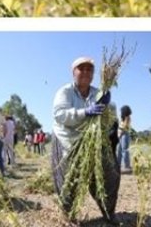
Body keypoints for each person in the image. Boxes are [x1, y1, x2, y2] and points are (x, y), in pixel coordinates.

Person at [52, 56, 118, 221]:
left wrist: (109, 109)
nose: (86, 72)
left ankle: (109, 212)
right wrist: (85, 112)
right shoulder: (65, 92)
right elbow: (60, 115)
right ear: (73, 72)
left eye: (89, 69)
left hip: (92, 141)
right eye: (81, 69)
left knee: (109, 172)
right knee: (69, 178)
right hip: (67, 139)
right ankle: (70, 215)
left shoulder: (98, 93)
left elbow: (110, 117)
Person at [118, 105, 133, 174]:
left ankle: (127, 166)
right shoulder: (123, 118)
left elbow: (124, 127)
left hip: (124, 134)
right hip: (121, 134)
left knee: (124, 150)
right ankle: (118, 165)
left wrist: (120, 134)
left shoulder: (127, 118)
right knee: (119, 150)